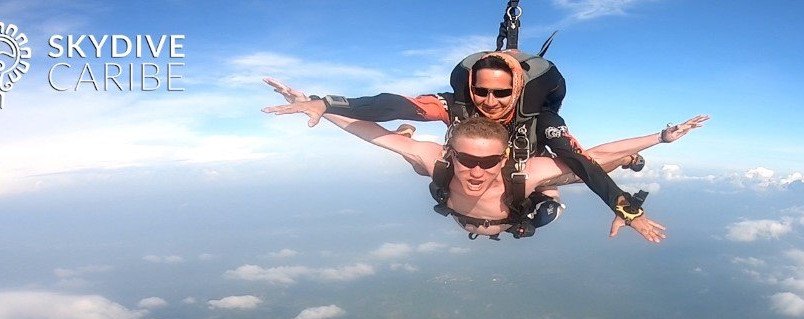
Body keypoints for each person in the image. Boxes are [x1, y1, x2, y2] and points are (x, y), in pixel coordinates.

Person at [261, 50, 659, 238]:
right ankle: (414, 142)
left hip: (521, 172)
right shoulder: (454, 109)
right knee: (422, 160)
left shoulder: (542, 123)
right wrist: (322, 103)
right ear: (471, 88)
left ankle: (625, 161)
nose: (490, 101)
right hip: (473, 182)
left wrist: (628, 208)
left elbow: (588, 164)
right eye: (481, 91)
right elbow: (392, 107)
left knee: (549, 192)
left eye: (502, 93)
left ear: (517, 90)